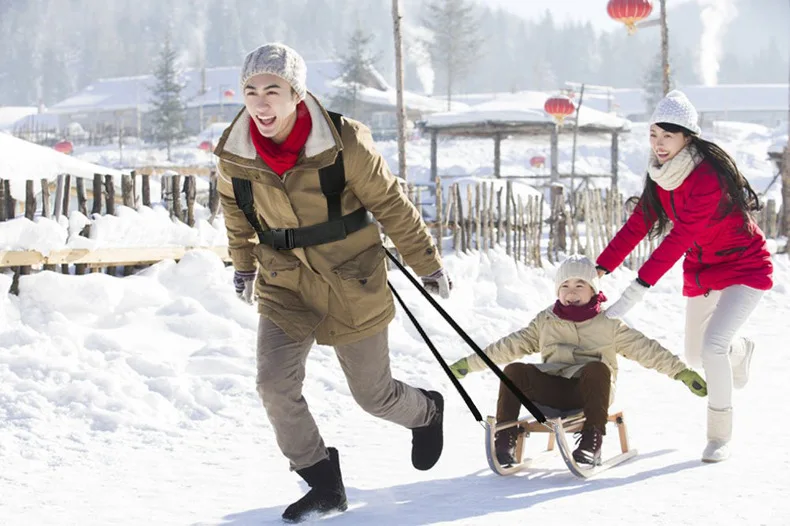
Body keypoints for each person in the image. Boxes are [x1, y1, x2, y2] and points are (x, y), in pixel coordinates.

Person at [214, 43, 452, 523]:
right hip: (286, 282)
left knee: (374, 396)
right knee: (274, 384)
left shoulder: (344, 142)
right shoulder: (235, 150)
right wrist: (242, 265)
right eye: (250, 91)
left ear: (297, 94)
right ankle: (322, 479)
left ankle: (425, 412)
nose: (260, 103)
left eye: (272, 90)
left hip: (351, 278)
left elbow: (390, 204)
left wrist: (426, 262)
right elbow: (236, 214)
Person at [595, 90, 773, 463]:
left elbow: (681, 236)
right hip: (703, 268)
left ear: (687, 137)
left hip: (744, 264)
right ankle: (741, 350)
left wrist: (634, 292)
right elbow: (639, 223)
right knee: (696, 354)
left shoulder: (706, 176)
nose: (659, 145)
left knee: (712, 347)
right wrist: (601, 267)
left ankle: (718, 436)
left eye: (668, 137)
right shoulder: (661, 175)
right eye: (654, 135)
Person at [449, 255, 707, 466]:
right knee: (514, 370)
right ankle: (504, 439)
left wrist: (682, 373)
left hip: (588, 395)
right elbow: (509, 346)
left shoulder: (609, 323)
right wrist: (469, 364)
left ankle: (590, 443)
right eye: (565, 286)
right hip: (551, 391)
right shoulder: (546, 320)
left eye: (579, 286)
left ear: (593, 289)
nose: (571, 293)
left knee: (596, 368)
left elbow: (647, 350)